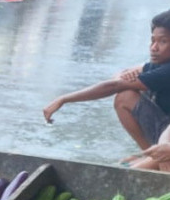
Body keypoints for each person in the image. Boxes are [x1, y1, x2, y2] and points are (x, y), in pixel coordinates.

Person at [43, 9, 170, 171]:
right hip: (166, 132)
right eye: (152, 41)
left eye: (163, 42)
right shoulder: (159, 64)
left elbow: (113, 85)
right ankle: (150, 153)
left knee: (133, 172)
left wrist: (63, 99)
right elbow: (120, 78)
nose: (154, 47)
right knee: (125, 96)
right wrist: (124, 77)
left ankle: (156, 160)